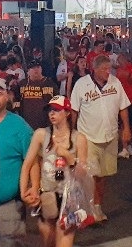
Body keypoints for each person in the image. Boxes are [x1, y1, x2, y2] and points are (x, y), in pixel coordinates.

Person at [69, 55, 132, 223]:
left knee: (102, 175)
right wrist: (71, 133)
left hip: (109, 135)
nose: (108, 72)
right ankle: (84, 208)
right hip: (88, 136)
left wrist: (126, 128)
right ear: (94, 69)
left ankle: (97, 206)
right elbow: (74, 110)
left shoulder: (115, 83)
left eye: (109, 68)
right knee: (88, 175)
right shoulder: (81, 84)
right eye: (104, 69)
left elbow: (123, 107)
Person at [20, 96, 88, 247]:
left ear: (67, 113)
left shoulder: (79, 139)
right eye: (50, 110)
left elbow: (83, 174)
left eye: (57, 110)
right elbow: (28, 164)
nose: (52, 113)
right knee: (48, 241)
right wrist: (24, 190)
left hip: (69, 198)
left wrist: (69, 157)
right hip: (47, 195)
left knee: (64, 240)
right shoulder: (41, 134)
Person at [0, 77, 34, 246]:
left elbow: (32, 160)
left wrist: (34, 187)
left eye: (0, 94)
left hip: (8, 206)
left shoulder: (19, 125)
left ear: (7, 97)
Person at [115, 53, 132, 158]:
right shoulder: (118, 70)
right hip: (122, 100)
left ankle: (129, 145)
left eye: (119, 59)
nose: (118, 61)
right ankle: (124, 147)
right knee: (122, 124)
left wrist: (129, 75)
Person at [20, 60, 58, 129]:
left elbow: (57, 103)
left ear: (41, 69)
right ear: (28, 71)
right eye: (33, 68)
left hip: (46, 125)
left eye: (38, 67)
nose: (36, 69)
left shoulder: (50, 83)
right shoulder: (22, 84)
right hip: (26, 125)